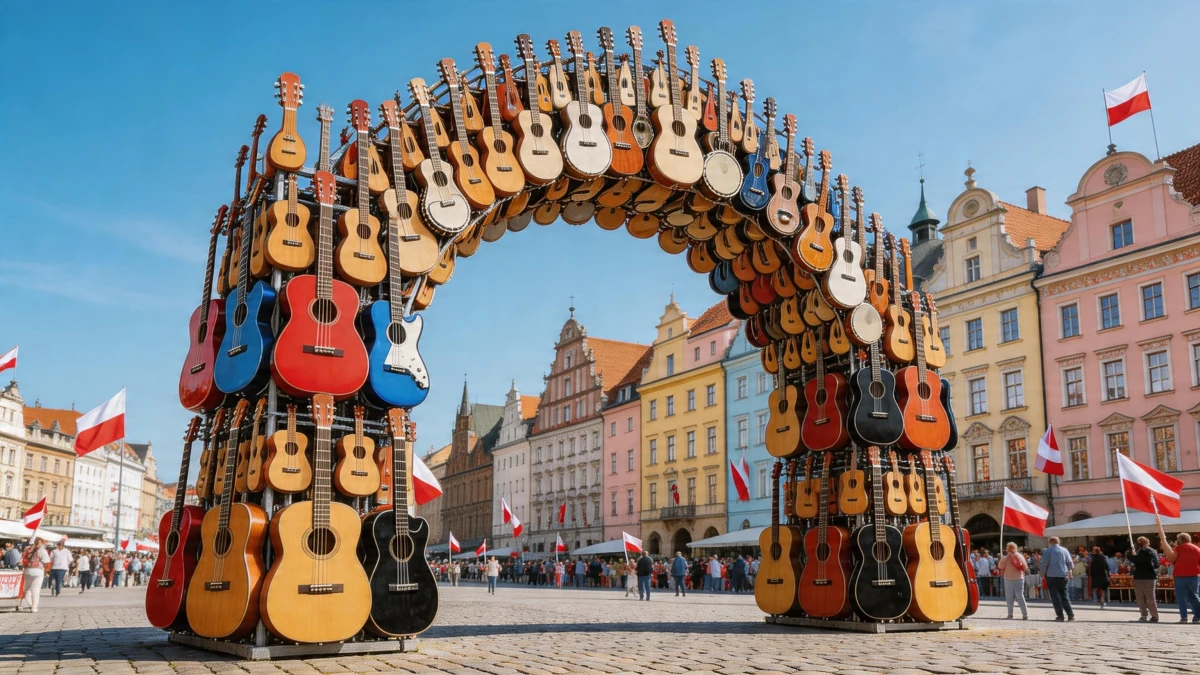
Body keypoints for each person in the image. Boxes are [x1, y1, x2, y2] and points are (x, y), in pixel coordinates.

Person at [1156, 516, 1200, 623]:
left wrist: (1164, 542)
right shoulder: (1197, 549)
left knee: (1181, 597)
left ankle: (1184, 617)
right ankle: (1197, 616)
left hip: (1180, 576)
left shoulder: (1178, 548)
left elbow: (1172, 558)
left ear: (1180, 540)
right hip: (1194, 576)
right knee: (1194, 596)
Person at [1039, 536, 1075, 621]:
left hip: (1051, 576)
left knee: (1055, 597)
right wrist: (1070, 572)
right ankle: (1070, 615)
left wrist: (1042, 574)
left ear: (1050, 542)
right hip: (1063, 576)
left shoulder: (1048, 551)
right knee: (1065, 596)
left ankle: (1060, 616)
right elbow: (1070, 564)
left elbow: (1044, 564)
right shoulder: (1064, 550)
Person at [1130, 536, 1160, 622]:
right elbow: (1156, 564)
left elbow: (1138, 560)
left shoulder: (1145, 551)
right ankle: (1150, 615)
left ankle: (1149, 615)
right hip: (1148, 577)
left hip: (1143, 576)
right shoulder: (1152, 551)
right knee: (1147, 598)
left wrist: (1133, 555)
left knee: (1144, 598)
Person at [996, 542, 1029, 620]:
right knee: (1020, 597)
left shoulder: (1006, 558)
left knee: (1009, 598)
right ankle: (1025, 614)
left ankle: (1010, 614)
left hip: (1008, 579)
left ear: (1007, 549)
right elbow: (1025, 567)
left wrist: (1002, 558)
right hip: (1019, 578)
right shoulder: (1020, 556)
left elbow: (1000, 566)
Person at [18, 540, 50, 612]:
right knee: (36, 589)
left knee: (27, 589)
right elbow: (46, 561)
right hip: (38, 571)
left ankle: (30, 604)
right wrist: (46, 570)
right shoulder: (42, 550)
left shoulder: (28, 549)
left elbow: (22, 560)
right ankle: (34, 607)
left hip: (28, 570)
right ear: (41, 543)